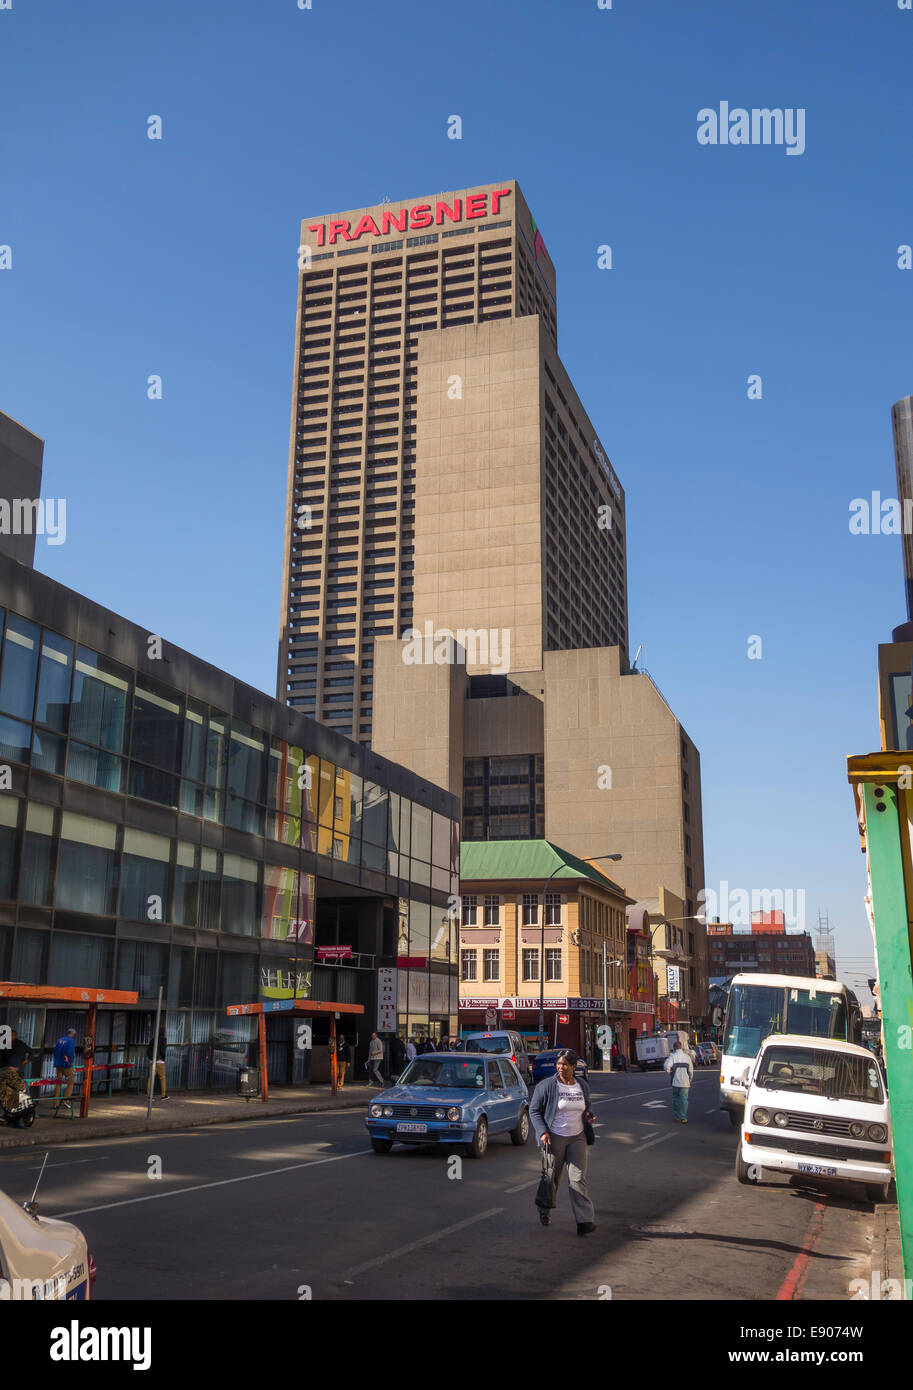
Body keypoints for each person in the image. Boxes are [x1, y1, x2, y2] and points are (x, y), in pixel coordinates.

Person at [529, 1048, 597, 1235]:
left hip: (578, 1137)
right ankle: (544, 1209)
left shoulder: (582, 1085)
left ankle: (584, 1221)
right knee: (551, 1178)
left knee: (577, 1179)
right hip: (554, 1137)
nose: (560, 1068)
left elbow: (587, 1108)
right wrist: (542, 1132)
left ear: (573, 1066)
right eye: (558, 1064)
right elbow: (534, 1110)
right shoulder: (547, 1086)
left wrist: (589, 1117)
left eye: (565, 1065)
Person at [665, 1036, 694, 1122]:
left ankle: (677, 1115)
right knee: (684, 1100)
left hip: (675, 1082)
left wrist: (669, 1072)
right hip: (685, 1083)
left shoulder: (672, 1057)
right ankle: (683, 1117)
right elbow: (691, 1071)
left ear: (674, 1048)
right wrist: (690, 1080)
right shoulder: (687, 1057)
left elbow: (666, 1066)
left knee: (676, 1099)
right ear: (681, 1047)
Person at [53, 1027, 78, 1115]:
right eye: (75, 1035)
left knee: (58, 1082)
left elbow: (55, 1051)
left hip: (58, 1064)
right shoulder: (70, 1041)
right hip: (66, 1065)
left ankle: (55, 1103)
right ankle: (66, 1101)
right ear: (73, 1034)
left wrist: (56, 1062)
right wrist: (69, 1063)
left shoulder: (59, 1040)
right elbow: (70, 1053)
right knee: (71, 1081)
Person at [147, 1025, 168, 1101]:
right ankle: (163, 1095)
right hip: (160, 1061)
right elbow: (162, 1050)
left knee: (151, 1078)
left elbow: (148, 1050)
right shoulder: (163, 1039)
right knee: (162, 1078)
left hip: (152, 1061)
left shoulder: (153, 1039)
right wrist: (163, 1058)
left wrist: (151, 1058)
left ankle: (150, 1096)